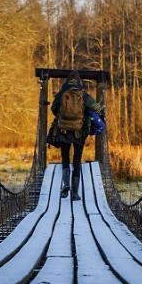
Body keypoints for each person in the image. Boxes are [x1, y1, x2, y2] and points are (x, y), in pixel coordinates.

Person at [50, 70, 102, 200]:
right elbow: (97, 108)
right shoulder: (83, 95)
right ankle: (74, 193)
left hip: (64, 131)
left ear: (67, 81)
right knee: (77, 160)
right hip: (79, 132)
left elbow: (53, 109)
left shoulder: (62, 94)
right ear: (79, 82)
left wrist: (62, 116)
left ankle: (66, 184)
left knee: (65, 157)